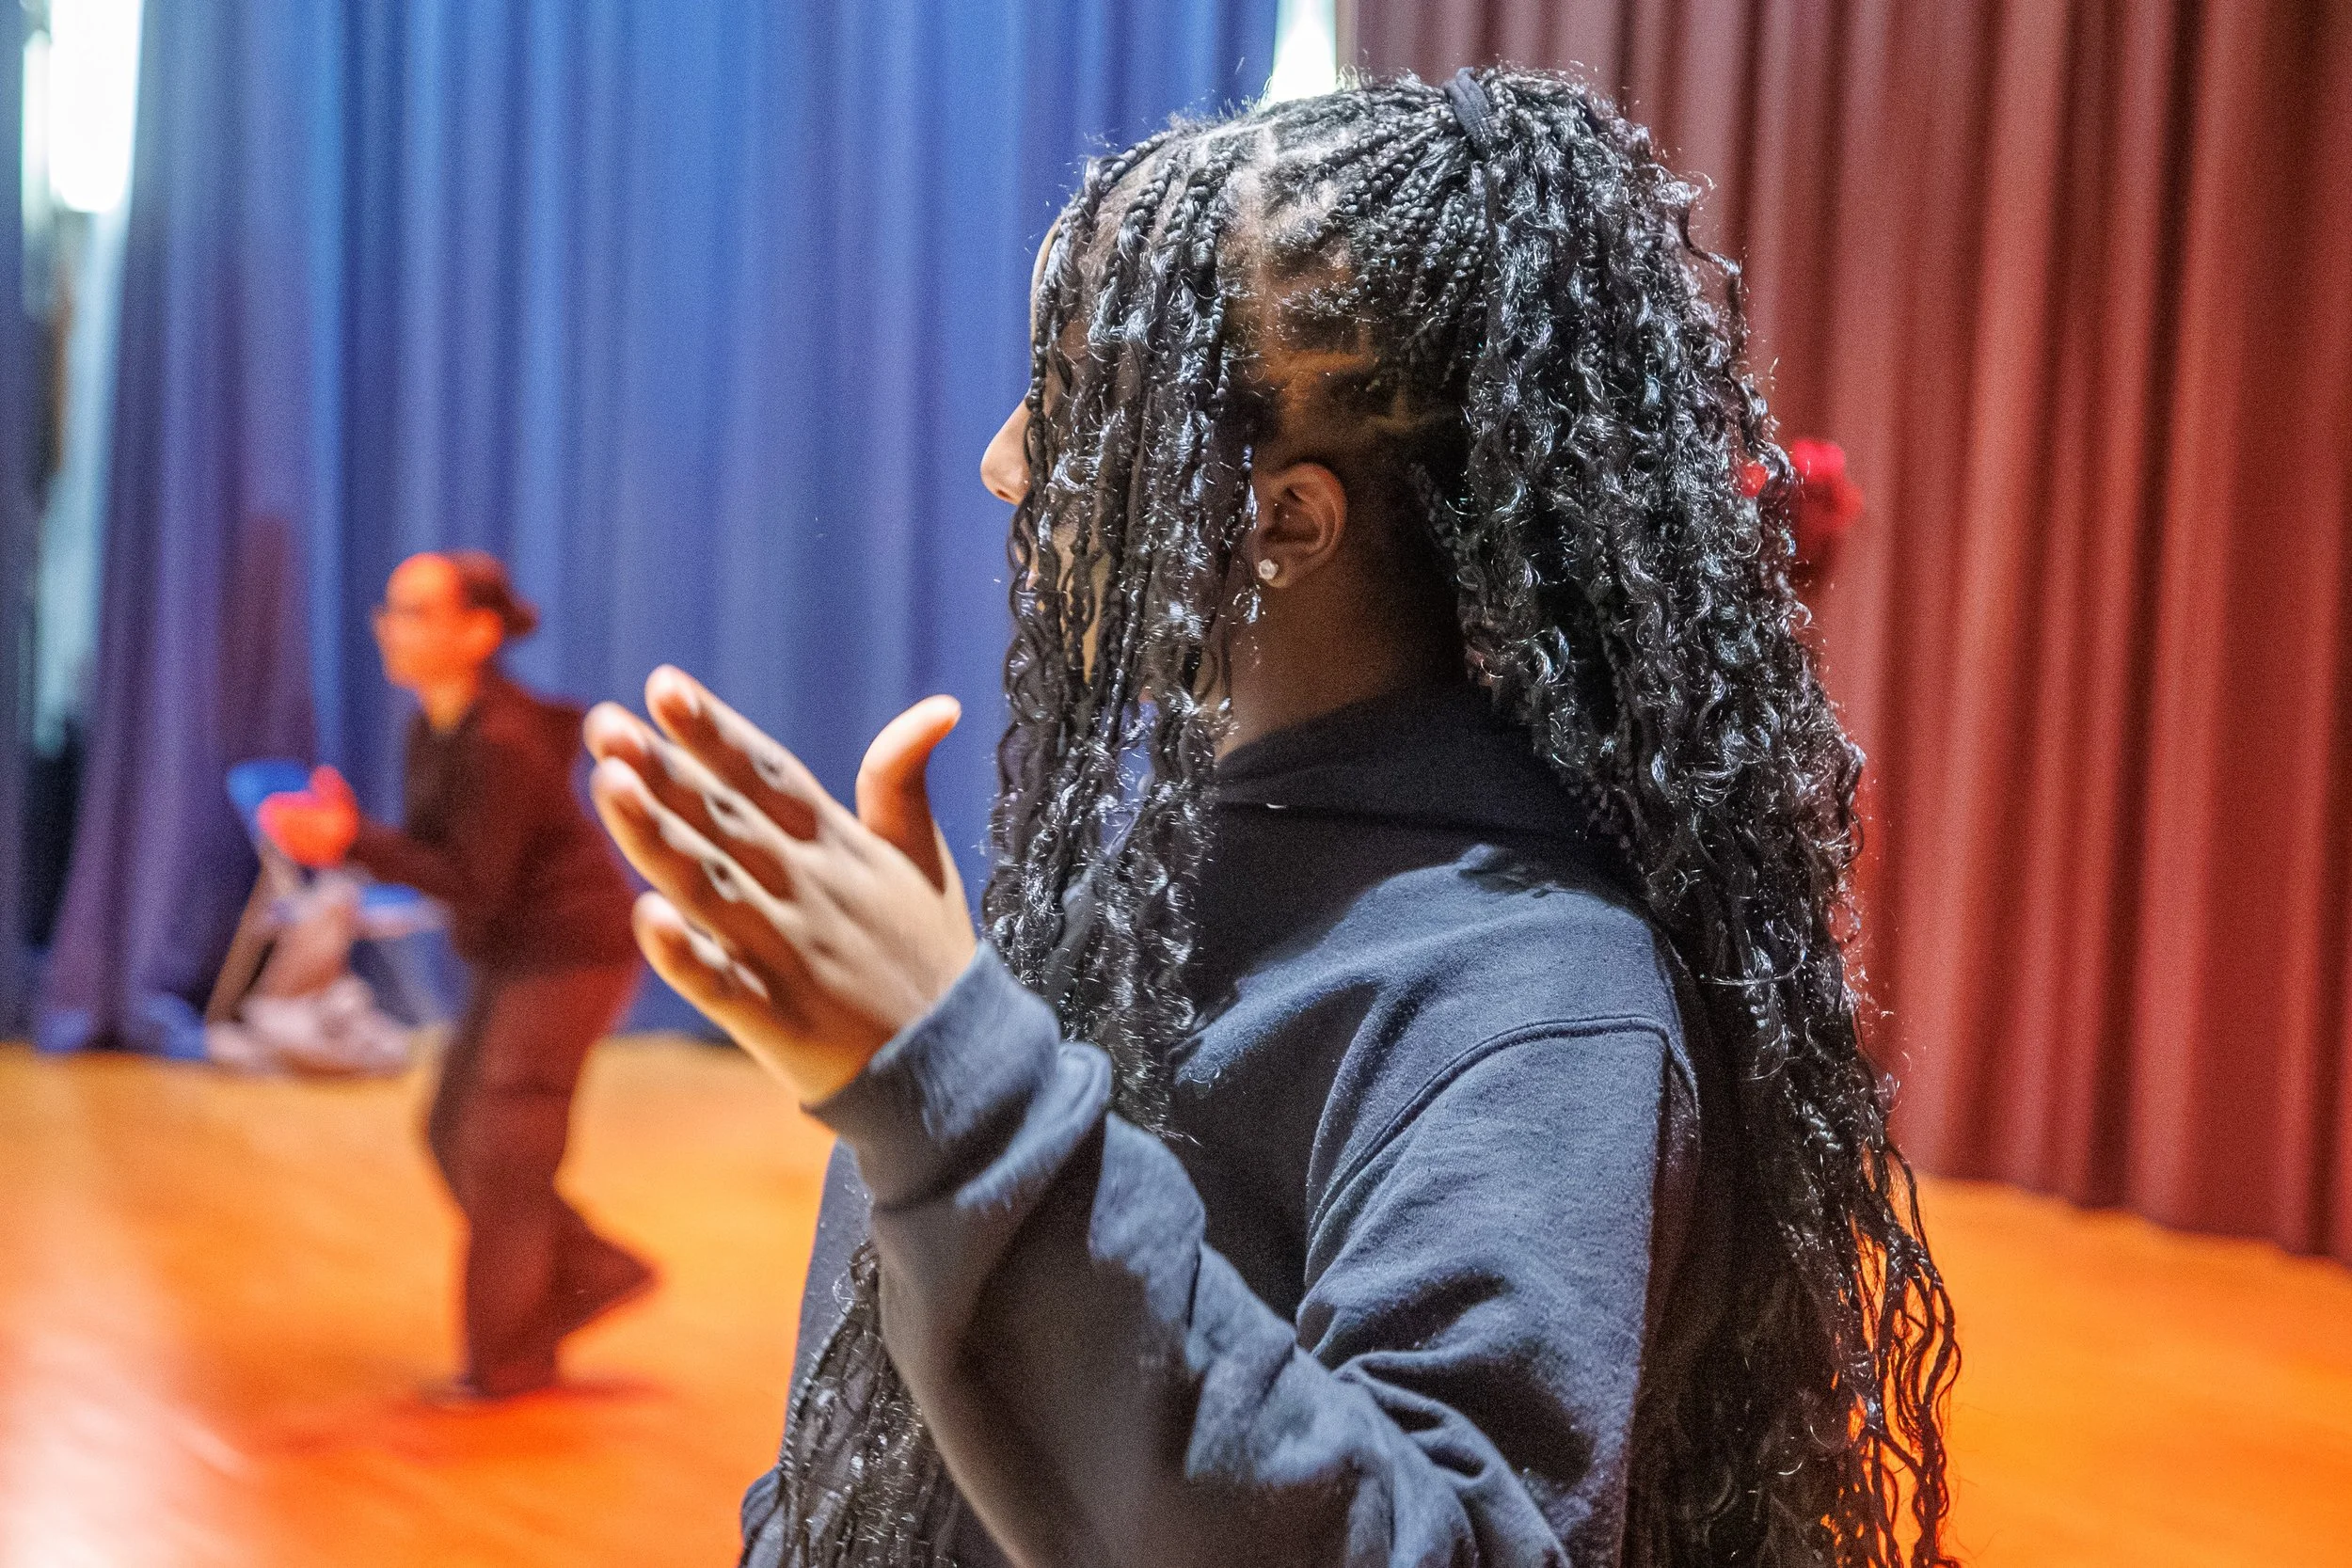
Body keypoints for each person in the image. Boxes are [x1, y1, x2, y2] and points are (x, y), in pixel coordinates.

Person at [584, 68, 1957, 1567]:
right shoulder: (1178, 865)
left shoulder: (1538, 995)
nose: (1005, 463)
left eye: (1077, 412)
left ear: (1285, 521)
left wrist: (956, 1092)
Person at [262, 550, 652, 1400]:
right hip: (517, 953)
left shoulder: (503, 742)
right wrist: (353, 838)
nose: (387, 626)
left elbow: (475, 876)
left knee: (504, 1149)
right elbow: (456, 863)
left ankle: (505, 1364)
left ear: (475, 633)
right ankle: (590, 1269)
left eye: (413, 611)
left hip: (571, 952)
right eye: (390, 608)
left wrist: (348, 840)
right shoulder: (436, 725)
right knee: (451, 1132)